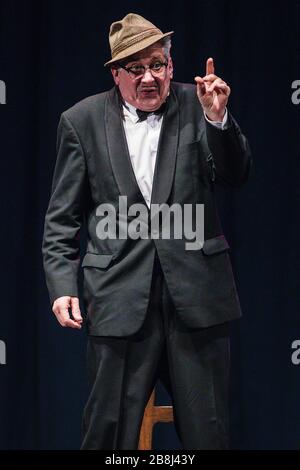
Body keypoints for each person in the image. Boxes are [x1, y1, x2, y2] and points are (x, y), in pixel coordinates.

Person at [42, 12, 251, 450]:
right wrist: (62, 285)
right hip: (118, 299)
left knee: (208, 434)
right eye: (135, 69)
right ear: (116, 74)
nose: (149, 77)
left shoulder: (200, 106)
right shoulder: (80, 121)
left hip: (196, 299)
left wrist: (218, 120)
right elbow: (62, 217)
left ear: (171, 66)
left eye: (157, 65)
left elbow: (236, 173)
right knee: (107, 434)